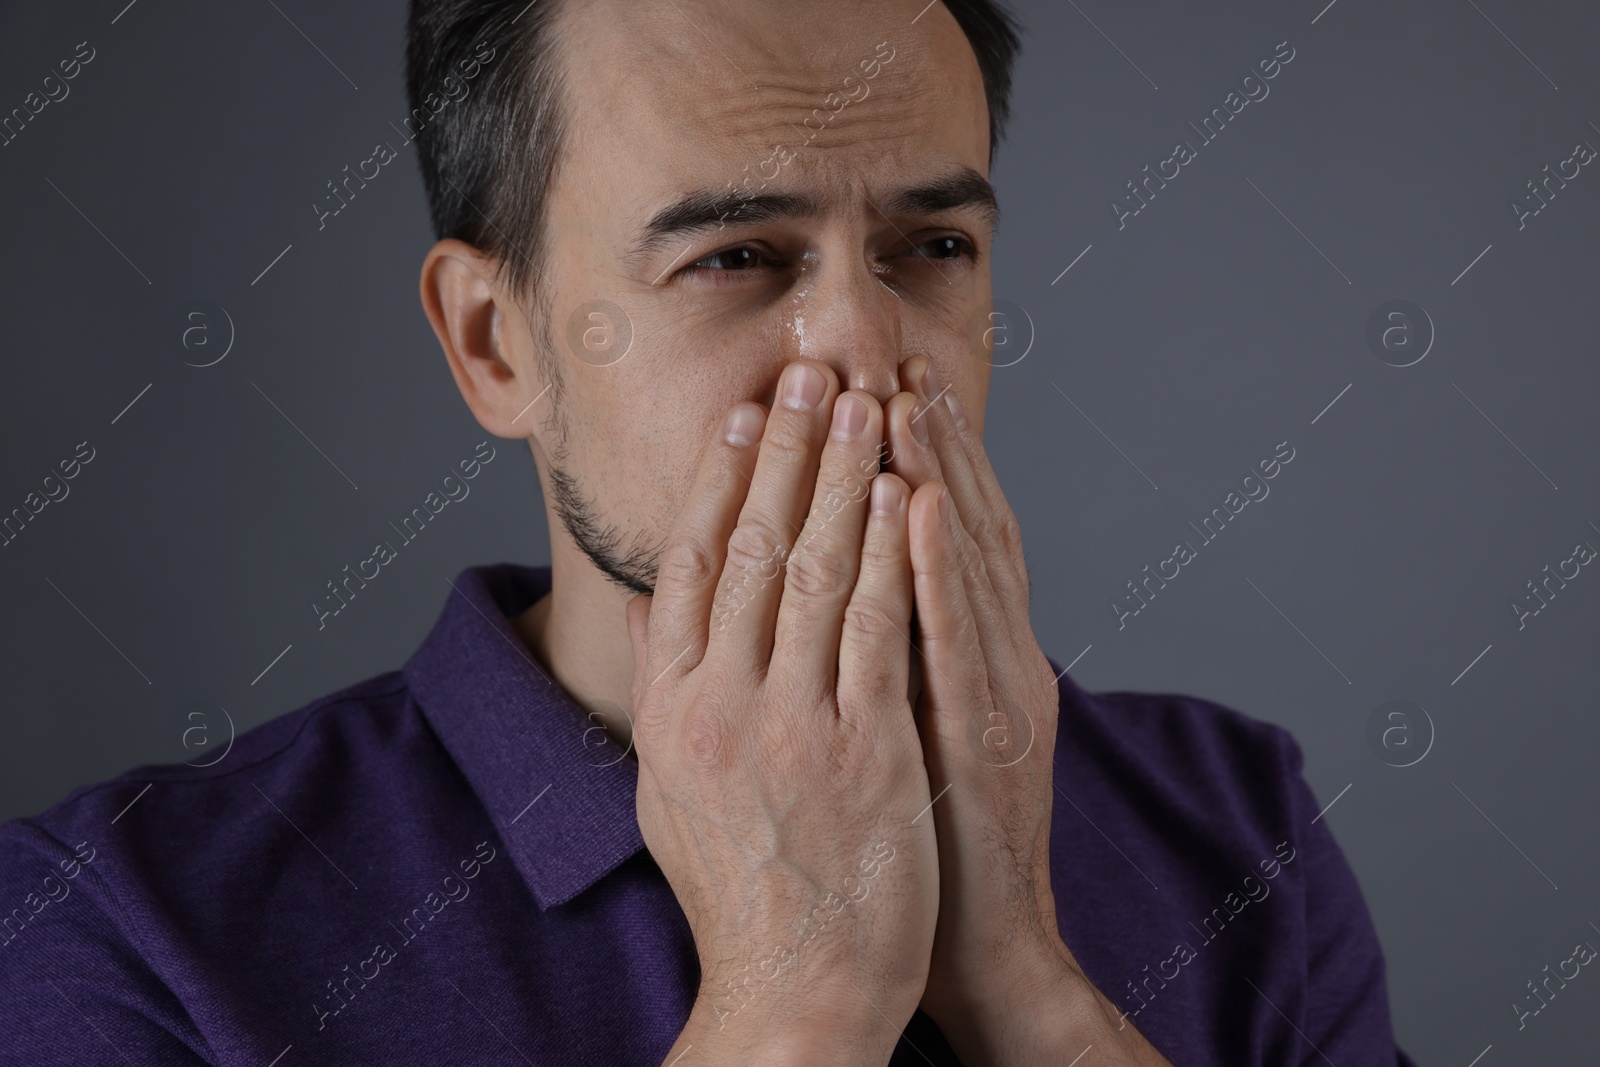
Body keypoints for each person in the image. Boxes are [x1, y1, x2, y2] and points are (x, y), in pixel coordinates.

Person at [0, 1, 1418, 1063]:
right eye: (736, 258)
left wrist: (1031, 992)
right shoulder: (124, 925)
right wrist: (794, 1006)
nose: (866, 352)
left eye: (931, 249)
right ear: (496, 346)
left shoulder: (1240, 826)